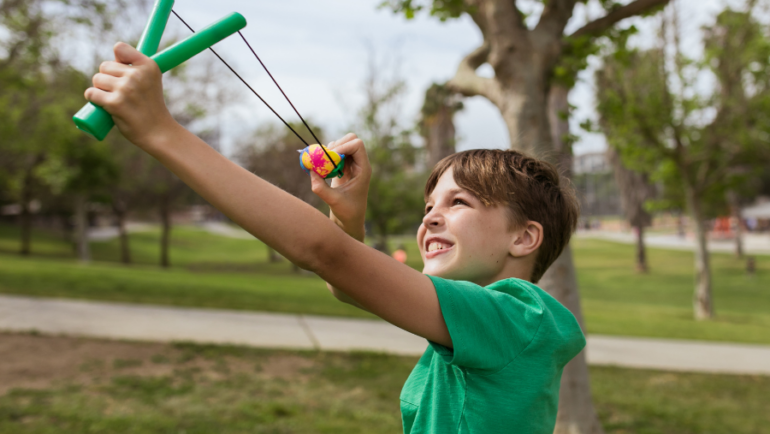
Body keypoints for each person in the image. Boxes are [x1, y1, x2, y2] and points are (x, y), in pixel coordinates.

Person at [86, 42, 586, 434]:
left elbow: (326, 257)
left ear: (524, 237)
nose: (431, 217)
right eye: (429, 205)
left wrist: (160, 131)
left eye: (460, 203)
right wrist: (347, 219)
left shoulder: (518, 317)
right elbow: (347, 281)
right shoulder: (485, 322)